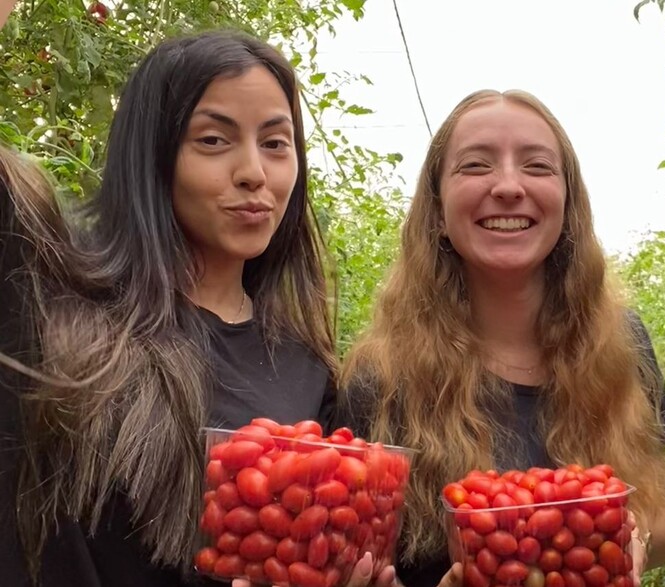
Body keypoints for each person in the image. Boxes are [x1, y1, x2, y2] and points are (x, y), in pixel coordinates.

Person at [0, 30, 389, 586]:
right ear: (152, 156)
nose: (254, 171)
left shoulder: (306, 365)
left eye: (276, 144)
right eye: (212, 140)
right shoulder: (57, 309)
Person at [333, 89, 665, 586]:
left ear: (568, 204)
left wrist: (617, 545)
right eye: (475, 166)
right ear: (436, 210)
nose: (507, 186)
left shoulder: (622, 343)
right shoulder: (381, 377)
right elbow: (356, 557)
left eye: (538, 166)